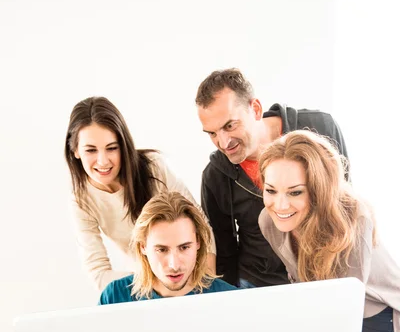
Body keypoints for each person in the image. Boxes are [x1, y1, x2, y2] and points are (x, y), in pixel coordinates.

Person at [258, 129, 399, 332]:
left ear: (319, 190)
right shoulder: (269, 221)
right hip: (329, 307)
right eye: (271, 190)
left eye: (295, 192)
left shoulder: (355, 222)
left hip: (376, 310)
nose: (280, 205)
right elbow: (300, 278)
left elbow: (346, 305)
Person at [196, 68, 348, 289]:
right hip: (257, 282)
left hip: (321, 275)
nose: (223, 142)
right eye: (211, 133)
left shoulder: (321, 129)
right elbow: (224, 253)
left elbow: (346, 209)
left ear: (255, 109)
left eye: (230, 125)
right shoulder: (215, 176)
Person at [65, 96, 216, 291]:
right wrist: (157, 285)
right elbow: (98, 272)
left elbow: (201, 228)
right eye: (91, 150)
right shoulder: (80, 200)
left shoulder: (154, 168)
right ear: (75, 150)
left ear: (124, 146)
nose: (102, 161)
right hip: (144, 288)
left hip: (189, 278)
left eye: (112, 148)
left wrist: (206, 285)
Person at [99, 191, 236, 304]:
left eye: (184, 247)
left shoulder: (230, 299)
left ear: (198, 243)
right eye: (162, 250)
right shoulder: (115, 297)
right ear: (143, 247)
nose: (174, 265)